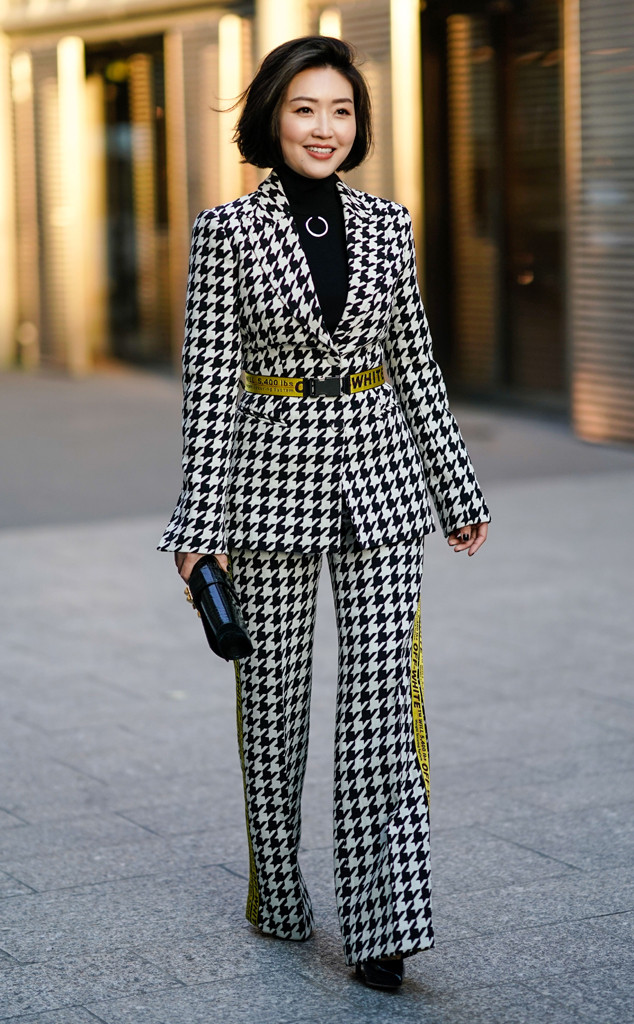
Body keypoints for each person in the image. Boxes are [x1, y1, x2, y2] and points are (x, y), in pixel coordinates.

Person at [159, 35, 490, 990]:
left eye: (341, 111)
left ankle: (383, 925)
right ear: (271, 115)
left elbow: (417, 366)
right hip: (266, 496)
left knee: (386, 708)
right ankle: (278, 885)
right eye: (306, 108)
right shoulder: (226, 232)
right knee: (274, 708)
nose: (324, 127)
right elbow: (211, 391)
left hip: (382, 490)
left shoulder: (391, 225)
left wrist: (454, 489)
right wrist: (197, 533)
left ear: (359, 126)